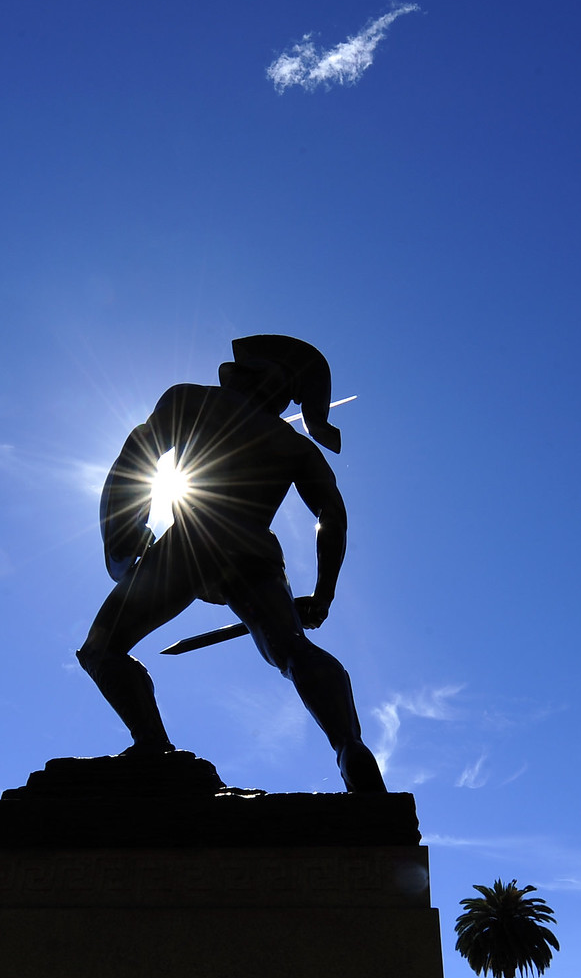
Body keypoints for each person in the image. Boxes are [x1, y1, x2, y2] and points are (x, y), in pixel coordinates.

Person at [76, 334, 387, 792]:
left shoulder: (190, 399)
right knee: (293, 650)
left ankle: (153, 748)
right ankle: (351, 748)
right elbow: (332, 516)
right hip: (254, 553)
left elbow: (136, 458)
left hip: (191, 544)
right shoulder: (296, 446)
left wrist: (125, 533)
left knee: (102, 649)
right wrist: (324, 593)